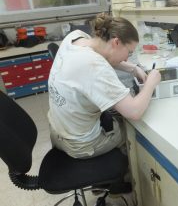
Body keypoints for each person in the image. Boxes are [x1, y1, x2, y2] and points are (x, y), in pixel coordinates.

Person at [48, 13, 161, 159]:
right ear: (116, 42)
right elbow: (134, 112)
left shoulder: (75, 37)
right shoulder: (95, 66)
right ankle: (129, 174)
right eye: (129, 52)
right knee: (134, 130)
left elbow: (103, 54)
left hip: (58, 131)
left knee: (114, 111)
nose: (127, 58)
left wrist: (133, 68)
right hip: (80, 145)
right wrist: (151, 83)